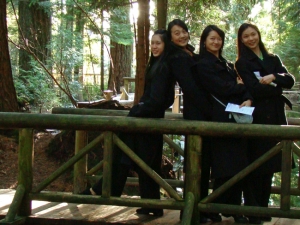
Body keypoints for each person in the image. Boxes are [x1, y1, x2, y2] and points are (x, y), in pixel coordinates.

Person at [80, 29, 175, 217]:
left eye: (159, 43)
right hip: (146, 120)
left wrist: (137, 109)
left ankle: (104, 189)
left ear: (166, 45)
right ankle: (151, 205)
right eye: (153, 43)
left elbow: (160, 100)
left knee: (131, 157)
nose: (155, 47)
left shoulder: (164, 67)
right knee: (143, 161)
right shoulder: (156, 64)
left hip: (148, 122)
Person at [192, 24, 254, 224]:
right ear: (204, 41)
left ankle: (229, 207)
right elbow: (220, 87)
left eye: (219, 38)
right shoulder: (202, 64)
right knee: (224, 165)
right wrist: (237, 87)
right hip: (218, 119)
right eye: (212, 38)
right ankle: (219, 207)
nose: (216, 42)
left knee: (237, 164)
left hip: (234, 116)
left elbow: (239, 85)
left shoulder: (227, 63)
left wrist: (248, 97)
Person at [235, 22, 295, 222]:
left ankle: (264, 209)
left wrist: (273, 77)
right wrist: (277, 87)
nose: (251, 39)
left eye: (253, 34)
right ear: (241, 40)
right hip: (258, 116)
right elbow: (255, 88)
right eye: (246, 36)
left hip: (276, 116)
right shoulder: (242, 63)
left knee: (270, 164)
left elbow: (290, 80)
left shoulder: (273, 58)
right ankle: (253, 210)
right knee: (255, 162)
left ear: (258, 35)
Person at [166, 19, 213, 223]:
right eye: (177, 33)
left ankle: (204, 206)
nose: (182, 35)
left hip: (204, 110)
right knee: (196, 160)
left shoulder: (191, 53)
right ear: (170, 38)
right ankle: (194, 207)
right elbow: (190, 88)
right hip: (196, 113)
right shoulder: (177, 57)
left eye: (184, 31)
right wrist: (210, 110)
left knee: (206, 159)